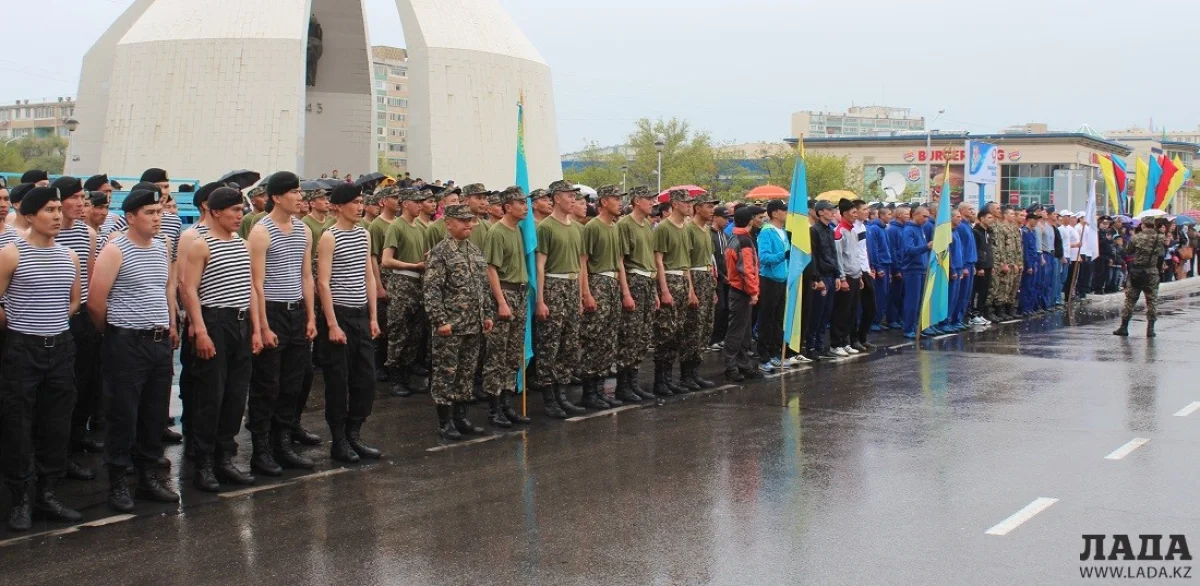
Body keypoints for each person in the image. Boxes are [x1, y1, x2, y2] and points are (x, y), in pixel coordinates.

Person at [88, 187, 181, 513]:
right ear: (130, 217)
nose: (158, 218)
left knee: (153, 414)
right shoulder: (116, 249)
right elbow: (96, 302)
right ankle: (116, 483)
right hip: (126, 343)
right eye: (150, 213)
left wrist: (171, 323)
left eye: (159, 212)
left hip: (158, 343)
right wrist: (114, 334)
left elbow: (166, 288)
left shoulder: (162, 246)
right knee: (122, 414)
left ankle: (147, 478)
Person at [0, 186, 83, 530]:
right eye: (49, 210)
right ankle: (20, 497)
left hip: (60, 347)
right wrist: (19, 325)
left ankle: (47, 494)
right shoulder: (11, 253)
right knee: (17, 425)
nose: (56, 216)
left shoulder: (69, 256)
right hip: (23, 348)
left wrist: (53, 322)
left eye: (57, 210)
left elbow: (75, 301)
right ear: (30, 216)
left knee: (56, 423)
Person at [178, 187, 259, 491]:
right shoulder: (201, 244)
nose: (239, 216)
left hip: (239, 323)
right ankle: (203, 464)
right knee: (209, 396)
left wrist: (255, 328)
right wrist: (199, 330)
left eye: (241, 210)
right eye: (233, 210)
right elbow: (188, 289)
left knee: (235, 396)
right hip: (214, 321)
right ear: (214, 212)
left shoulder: (240, 244)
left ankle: (225, 459)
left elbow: (248, 287)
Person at [246, 172, 318, 477]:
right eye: (294, 192)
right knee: (267, 385)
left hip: (296, 312)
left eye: (300, 192)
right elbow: (256, 283)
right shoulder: (261, 232)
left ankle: (283, 443)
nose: (300, 197)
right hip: (272, 312)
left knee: (293, 383)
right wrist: (262, 326)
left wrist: (311, 316)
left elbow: (306, 276)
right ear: (276, 197)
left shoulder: (303, 230)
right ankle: (261, 451)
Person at [315, 183, 382, 462]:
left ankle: (355, 433)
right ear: (339, 206)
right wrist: (331, 324)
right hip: (339, 315)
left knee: (365, 378)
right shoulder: (329, 237)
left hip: (360, 314)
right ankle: (339, 439)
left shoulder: (364, 234)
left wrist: (374, 317)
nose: (359, 206)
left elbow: (368, 276)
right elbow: (323, 282)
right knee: (338, 380)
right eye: (354, 202)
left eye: (361, 201)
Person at [45, 177, 102, 482]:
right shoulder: (36, 235)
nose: (81, 203)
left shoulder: (88, 234)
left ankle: (73, 445)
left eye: (83, 197)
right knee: (56, 393)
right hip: (47, 320)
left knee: (82, 386)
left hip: (77, 317)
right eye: (75, 198)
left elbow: (90, 280)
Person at [425, 204, 493, 440]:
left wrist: (487, 315)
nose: (468, 224)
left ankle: (461, 417)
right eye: (462, 220)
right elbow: (432, 290)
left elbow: (483, 286)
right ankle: (445, 422)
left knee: (466, 373)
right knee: (446, 373)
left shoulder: (474, 250)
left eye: (471, 220)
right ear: (448, 223)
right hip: (451, 326)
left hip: (473, 324)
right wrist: (440, 320)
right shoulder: (440, 252)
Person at [481, 186, 533, 425]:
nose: (525, 207)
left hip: (520, 294)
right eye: (520, 203)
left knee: (513, 354)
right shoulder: (497, 231)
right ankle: (494, 409)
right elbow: (491, 269)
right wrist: (501, 302)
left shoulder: (520, 231)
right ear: (507, 206)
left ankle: (507, 402)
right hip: (505, 293)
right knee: (497, 355)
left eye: (526, 202)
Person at [579, 185, 634, 408]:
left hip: (612, 283)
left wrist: (625, 291)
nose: (619, 202)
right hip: (598, 282)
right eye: (614, 198)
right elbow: (583, 262)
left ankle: (600, 388)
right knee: (595, 337)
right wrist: (586, 293)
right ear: (603, 202)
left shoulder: (615, 227)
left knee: (609, 339)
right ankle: (589, 391)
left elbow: (620, 261)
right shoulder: (592, 227)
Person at [534, 181, 586, 414]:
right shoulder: (545, 227)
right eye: (568, 195)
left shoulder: (577, 228)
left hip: (572, 285)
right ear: (556, 198)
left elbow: (582, 265)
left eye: (575, 195)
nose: (573, 199)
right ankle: (548, 397)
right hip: (554, 285)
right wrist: (541, 299)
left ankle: (562, 392)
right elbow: (540, 265)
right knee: (550, 343)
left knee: (569, 343)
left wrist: (583, 295)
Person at [381, 188, 432, 396]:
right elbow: (386, 260)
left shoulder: (420, 227)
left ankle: (407, 375)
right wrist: (414, 265)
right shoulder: (396, 226)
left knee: (414, 334)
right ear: (405, 204)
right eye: (416, 201)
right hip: (402, 282)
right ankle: (395, 377)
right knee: (399, 331)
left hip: (418, 284)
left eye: (422, 201)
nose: (420, 204)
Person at [615, 187, 660, 403]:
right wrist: (626, 292)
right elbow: (620, 262)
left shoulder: (648, 225)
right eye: (648, 199)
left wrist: (657, 292)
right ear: (636, 201)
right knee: (630, 335)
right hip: (634, 280)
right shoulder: (625, 224)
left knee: (642, 336)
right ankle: (623, 385)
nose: (652, 202)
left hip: (648, 281)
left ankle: (633, 382)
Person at [653, 188, 698, 393]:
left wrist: (690, 290)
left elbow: (686, 263)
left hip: (682, 279)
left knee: (679, 332)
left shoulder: (685, 228)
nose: (690, 206)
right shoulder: (663, 227)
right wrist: (664, 290)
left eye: (691, 202)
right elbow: (659, 260)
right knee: (666, 332)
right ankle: (660, 380)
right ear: (675, 204)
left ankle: (670, 378)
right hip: (669, 279)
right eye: (686, 202)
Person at [723, 205, 767, 382]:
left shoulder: (737, 237)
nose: (760, 220)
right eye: (757, 218)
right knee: (737, 331)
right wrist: (754, 292)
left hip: (739, 290)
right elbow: (747, 270)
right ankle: (731, 366)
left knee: (744, 331)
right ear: (750, 220)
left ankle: (742, 364)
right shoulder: (744, 241)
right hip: (741, 291)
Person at [680, 193, 719, 389]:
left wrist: (713, 288)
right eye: (708, 206)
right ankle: (686, 374)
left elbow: (709, 261)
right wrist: (690, 290)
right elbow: (686, 262)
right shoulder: (689, 230)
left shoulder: (706, 230)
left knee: (704, 327)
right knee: (692, 328)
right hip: (693, 278)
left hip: (706, 278)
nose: (712, 210)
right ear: (697, 208)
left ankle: (695, 371)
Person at [367, 186, 400, 383]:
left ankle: (389, 362)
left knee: (393, 325)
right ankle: (377, 364)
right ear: (383, 201)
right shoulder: (377, 226)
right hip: (382, 276)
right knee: (380, 322)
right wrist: (378, 285)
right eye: (394, 198)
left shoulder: (397, 223)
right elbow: (373, 257)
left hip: (396, 280)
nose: (398, 201)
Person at [1114, 219, 1167, 337]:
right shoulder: (1160, 238)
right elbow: (1161, 254)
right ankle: (1150, 329)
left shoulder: (1136, 238)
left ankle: (1124, 327)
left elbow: (1128, 251)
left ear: (1143, 225)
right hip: (1152, 272)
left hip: (1137, 271)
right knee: (1152, 300)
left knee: (1130, 300)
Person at [830, 199, 864, 355]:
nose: (855, 215)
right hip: (846, 277)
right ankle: (836, 343)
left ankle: (846, 341)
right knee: (841, 311)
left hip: (856, 275)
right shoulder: (839, 231)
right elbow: (838, 257)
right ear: (844, 213)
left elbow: (856, 254)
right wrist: (842, 278)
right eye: (853, 212)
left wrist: (860, 275)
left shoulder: (853, 230)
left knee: (851, 311)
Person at [805, 200, 838, 357]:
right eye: (829, 210)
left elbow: (833, 254)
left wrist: (838, 275)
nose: (832, 212)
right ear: (820, 212)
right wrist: (817, 279)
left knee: (826, 313)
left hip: (831, 275)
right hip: (821, 276)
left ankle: (820, 345)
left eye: (833, 210)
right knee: (816, 313)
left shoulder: (830, 230)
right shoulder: (814, 231)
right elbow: (814, 257)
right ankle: (811, 346)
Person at [900, 205, 932, 339]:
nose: (926, 219)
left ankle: (915, 327)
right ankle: (908, 328)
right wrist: (926, 247)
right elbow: (909, 249)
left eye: (928, 217)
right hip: (912, 269)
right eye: (924, 216)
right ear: (915, 215)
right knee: (912, 301)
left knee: (919, 301)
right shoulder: (909, 230)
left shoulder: (921, 229)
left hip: (921, 269)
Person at [850, 200, 876, 350]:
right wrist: (859, 272)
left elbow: (863, 251)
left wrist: (868, 268)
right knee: (854, 308)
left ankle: (862, 336)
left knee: (871, 307)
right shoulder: (852, 228)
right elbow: (853, 253)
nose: (867, 212)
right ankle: (853, 339)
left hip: (865, 270)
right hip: (856, 271)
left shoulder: (863, 227)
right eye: (864, 209)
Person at [867, 204, 892, 331]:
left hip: (886, 264)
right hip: (880, 265)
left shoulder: (884, 229)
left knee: (885, 294)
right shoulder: (874, 229)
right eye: (888, 214)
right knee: (879, 294)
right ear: (881, 215)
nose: (890, 217)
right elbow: (874, 249)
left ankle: (878, 319)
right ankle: (873, 321)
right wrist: (877, 267)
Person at [709, 206, 732, 348]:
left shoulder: (725, 235)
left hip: (728, 277)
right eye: (724, 218)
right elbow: (712, 259)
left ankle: (721, 337)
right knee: (719, 307)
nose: (726, 221)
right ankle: (712, 339)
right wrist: (721, 276)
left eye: (728, 218)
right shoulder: (709, 234)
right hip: (716, 277)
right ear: (715, 217)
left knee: (727, 308)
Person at [953, 203, 978, 327]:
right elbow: (960, 248)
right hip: (964, 265)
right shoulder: (961, 227)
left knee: (966, 295)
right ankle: (955, 319)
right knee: (961, 294)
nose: (973, 211)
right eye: (970, 209)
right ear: (962, 211)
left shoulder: (968, 226)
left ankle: (960, 318)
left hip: (970, 263)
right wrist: (963, 267)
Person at [885, 205, 909, 329]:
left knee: (902, 295)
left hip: (905, 267)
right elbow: (893, 250)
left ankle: (900, 317)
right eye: (906, 214)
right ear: (899, 215)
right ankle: (892, 319)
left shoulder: (904, 228)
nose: (908, 216)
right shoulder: (892, 230)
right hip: (898, 268)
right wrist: (896, 269)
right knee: (894, 295)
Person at [972, 208, 997, 323]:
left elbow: (988, 250)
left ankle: (981, 313)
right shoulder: (976, 232)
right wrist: (980, 266)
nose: (991, 220)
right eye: (989, 218)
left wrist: (990, 265)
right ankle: (975, 313)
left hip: (988, 266)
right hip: (981, 267)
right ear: (982, 218)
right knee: (979, 291)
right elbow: (978, 250)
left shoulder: (987, 232)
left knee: (985, 291)